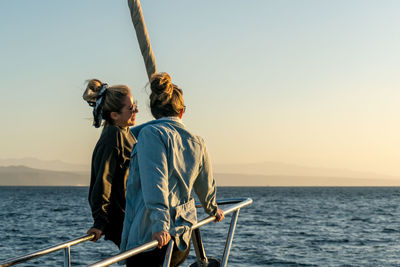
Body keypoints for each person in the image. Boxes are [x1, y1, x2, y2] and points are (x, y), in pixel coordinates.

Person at [120, 72, 224, 267]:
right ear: (182, 112)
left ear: (153, 111)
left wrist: (160, 225)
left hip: (153, 238)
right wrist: (212, 208)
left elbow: (155, 182)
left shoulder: (151, 134)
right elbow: (205, 184)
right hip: (181, 240)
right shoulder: (198, 142)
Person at [83, 79, 139, 247]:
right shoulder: (112, 137)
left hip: (134, 217)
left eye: (134, 104)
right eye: (130, 108)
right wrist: (100, 223)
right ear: (114, 115)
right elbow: (102, 180)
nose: (136, 109)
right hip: (124, 222)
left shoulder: (127, 133)